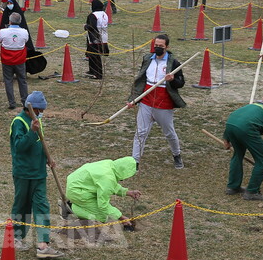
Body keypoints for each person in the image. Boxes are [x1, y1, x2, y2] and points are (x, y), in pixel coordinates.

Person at [9, 91, 64, 258]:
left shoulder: (37, 121)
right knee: (22, 205)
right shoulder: (19, 122)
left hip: (39, 173)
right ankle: (16, 238)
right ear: (31, 108)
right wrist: (32, 132)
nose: (41, 113)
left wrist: (47, 158)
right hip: (23, 173)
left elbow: (41, 143)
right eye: (40, 110)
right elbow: (19, 147)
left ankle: (43, 245)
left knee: (42, 206)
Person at [128, 34, 185, 169]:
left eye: (161, 46)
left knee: (169, 132)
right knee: (140, 132)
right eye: (156, 46)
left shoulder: (173, 63)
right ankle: (134, 162)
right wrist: (133, 100)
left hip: (163, 104)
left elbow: (181, 83)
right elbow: (140, 80)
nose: (158, 48)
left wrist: (172, 80)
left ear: (167, 47)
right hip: (146, 102)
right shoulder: (147, 59)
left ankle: (177, 155)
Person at [221, 104, 263, 200]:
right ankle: (252, 192)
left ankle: (233, 187)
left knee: (238, 154)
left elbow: (237, 118)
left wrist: (226, 138)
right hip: (246, 127)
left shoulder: (262, 110)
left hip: (231, 124)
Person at [64, 157, 141, 226]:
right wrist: (120, 217)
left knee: (107, 213)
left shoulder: (109, 164)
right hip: (77, 192)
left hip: (77, 183)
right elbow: (103, 204)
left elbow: (110, 184)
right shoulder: (108, 179)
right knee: (105, 217)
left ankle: (77, 204)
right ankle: (72, 208)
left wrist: (127, 192)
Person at [0, 12, 30, 110]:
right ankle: (24, 101)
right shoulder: (24, 32)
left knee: (8, 81)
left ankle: (11, 102)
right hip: (20, 59)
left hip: (7, 60)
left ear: (10, 21)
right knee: (22, 80)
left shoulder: (3, 32)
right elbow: (26, 41)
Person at [84, 0, 109, 80]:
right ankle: (92, 70)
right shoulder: (104, 14)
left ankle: (98, 74)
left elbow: (92, 27)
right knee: (91, 55)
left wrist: (86, 27)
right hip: (104, 36)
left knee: (95, 56)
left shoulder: (93, 15)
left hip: (94, 38)